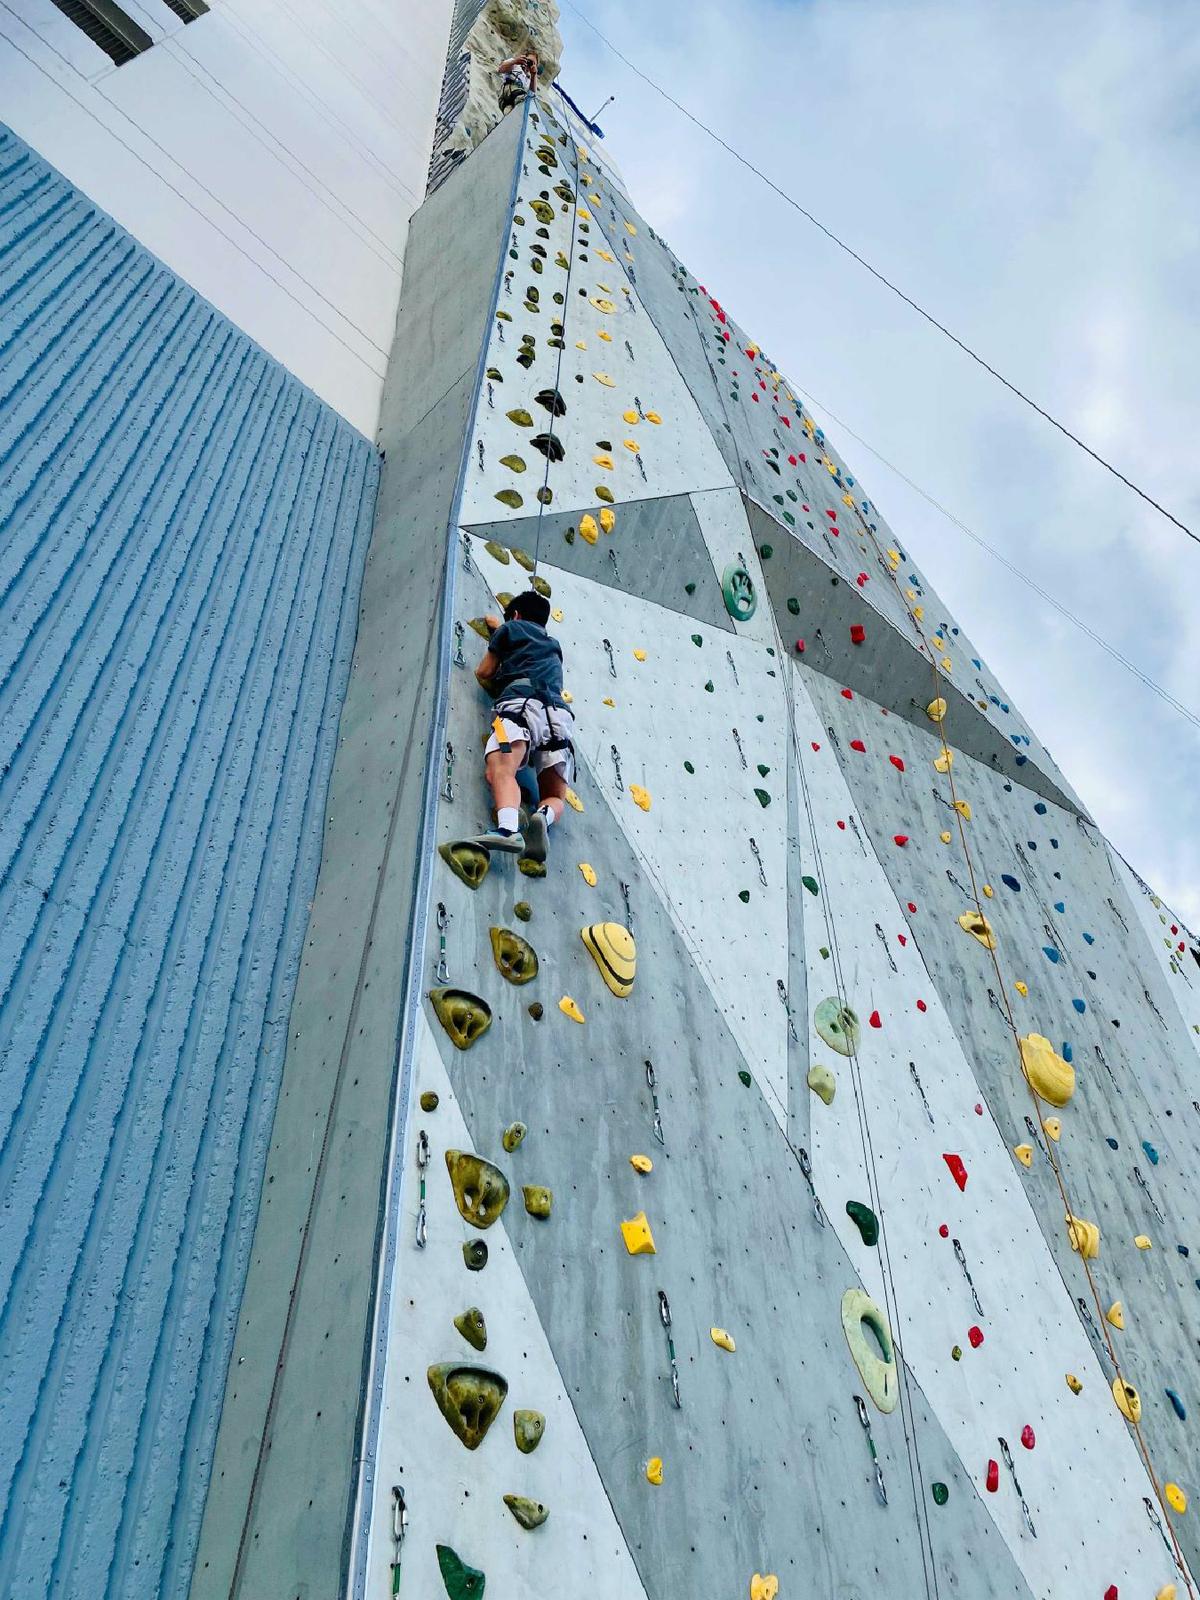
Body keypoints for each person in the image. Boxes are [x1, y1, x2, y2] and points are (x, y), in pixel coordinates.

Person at [471, 591, 574, 861]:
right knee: (555, 795)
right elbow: (524, 639)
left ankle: (507, 830)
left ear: (515, 615)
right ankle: (543, 816)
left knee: (501, 770)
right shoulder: (553, 644)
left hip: (520, 706)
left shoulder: (511, 628)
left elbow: (484, 672)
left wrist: (499, 632)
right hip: (558, 719)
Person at [497, 47, 538, 113]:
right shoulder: (515, 64)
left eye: (533, 63)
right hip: (506, 94)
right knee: (518, 94)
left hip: (515, 104)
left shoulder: (529, 79)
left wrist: (534, 75)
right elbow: (500, 69)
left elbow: (532, 93)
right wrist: (515, 61)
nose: (530, 64)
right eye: (529, 61)